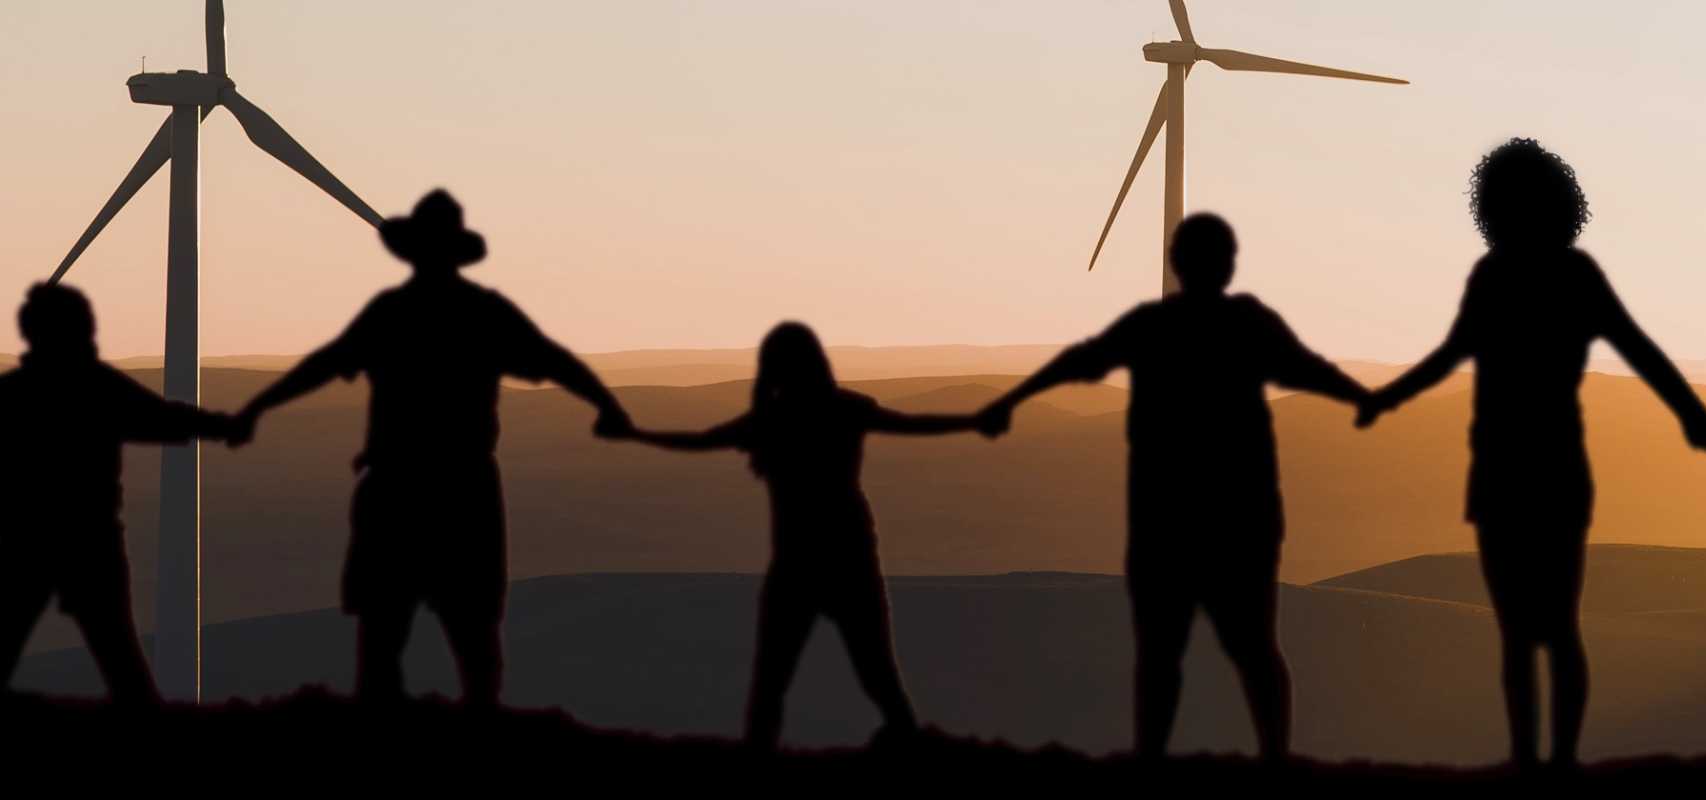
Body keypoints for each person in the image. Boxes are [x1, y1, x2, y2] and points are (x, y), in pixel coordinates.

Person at [1358, 139, 1706, 769]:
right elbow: (1640, 351)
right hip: (1550, 471)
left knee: (1524, 632)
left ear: (1492, 204)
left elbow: (1452, 355)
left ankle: (1534, 760)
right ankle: (1553, 760)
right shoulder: (1567, 275)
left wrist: (1387, 397)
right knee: (1556, 627)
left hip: (1511, 471)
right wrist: (1693, 416)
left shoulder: (1506, 275)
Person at [978, 213, 1370, 762]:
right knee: (1255, 648)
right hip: (1241, 520)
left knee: (1162, 655)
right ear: (1229, 264)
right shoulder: (1249, 323)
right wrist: (1365, 399)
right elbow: (1309, 369)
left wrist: (1008, 402)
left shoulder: (1149, 326)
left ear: (1175, 263)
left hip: (1166, 522)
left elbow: (1078, 359)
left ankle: (1152, 761)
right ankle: (1275, 759)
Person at [229, 190, 633, 707]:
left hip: (397, 490)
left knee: (384, 633)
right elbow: (555, 361)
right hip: (463, 491)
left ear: (413, 250)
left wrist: (256, 409)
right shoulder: (484, 313)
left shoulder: (391, 313)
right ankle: (477, 730)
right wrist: (608, 407)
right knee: (474, 636)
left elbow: (325, 364)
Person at [625, 321, 982, 749]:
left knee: (772, 683)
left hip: (797, 565)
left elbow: (700, 441)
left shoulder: (771, 421)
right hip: (850, 559)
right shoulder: (845, 410)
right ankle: (908, 747)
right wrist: (976, 420)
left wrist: (634, 434)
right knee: (877, 674)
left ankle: (763, 758)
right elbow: (914, 425)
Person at [0, 284, 237, 705]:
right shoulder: (95, 386)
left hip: (26, 540)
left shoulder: (14, 392)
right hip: (89, 542)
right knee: (121, 659)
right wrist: (223, 426)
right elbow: (160, 418)